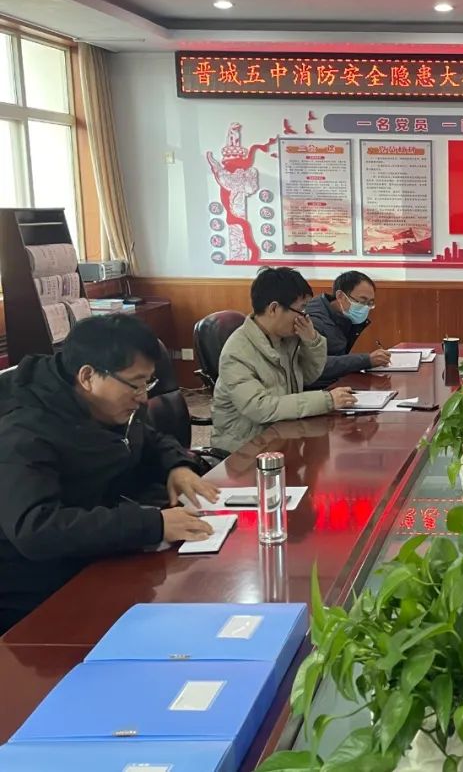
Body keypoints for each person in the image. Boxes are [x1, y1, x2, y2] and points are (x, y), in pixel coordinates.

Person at [0, 315, 218, 634]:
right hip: (38, 593)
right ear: (88, 376)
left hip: (99, 553)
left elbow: (147, 439)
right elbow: (37, 529)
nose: (143, 397)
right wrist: (151, 525)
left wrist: (177, 465)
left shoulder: (101, 402)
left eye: (148, 383)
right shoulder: (22, 431)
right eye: (136, 383)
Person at [212, 267, 355, 453]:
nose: (305, 317)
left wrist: (312, 342)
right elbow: (260, 408)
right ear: (274, 309)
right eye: (301, 309)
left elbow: (309, 376)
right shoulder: (237, 353)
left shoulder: (286, 338)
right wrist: (326, 400)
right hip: (245, 449)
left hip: (281, 435)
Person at [304, 271, 391, 389]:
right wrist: (366, 360)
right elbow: (316, 365)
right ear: (340, 296)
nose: (365, 307)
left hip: (336, 384)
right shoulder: (314, 320)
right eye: (362, 301)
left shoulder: (343, 317)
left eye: (370, 303)